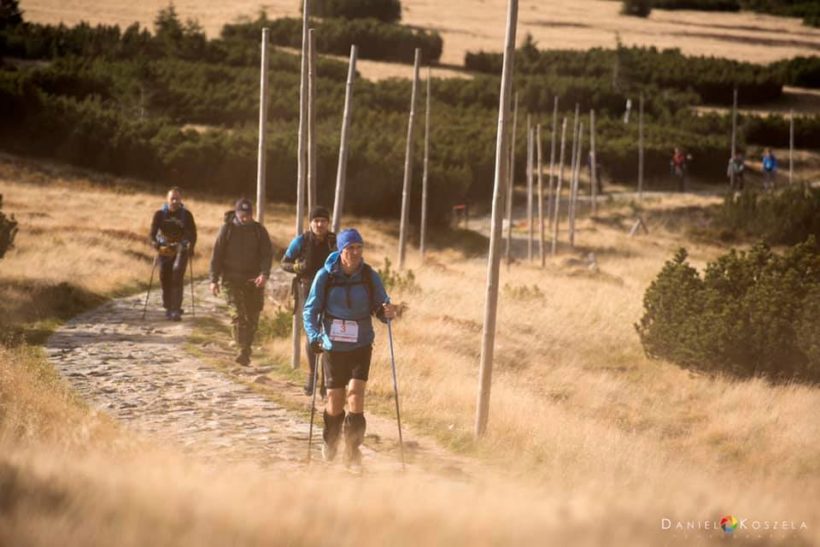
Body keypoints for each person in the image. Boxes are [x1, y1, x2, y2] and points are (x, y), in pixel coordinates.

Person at [303, 229, 396, 467]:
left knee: (356, 395)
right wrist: (314, 336)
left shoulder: (369, 276)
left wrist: (387, 312)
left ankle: (353, 450)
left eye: (358, 248)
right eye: (350, 248)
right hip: (332, 346)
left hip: (361, 343)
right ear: (340, 250)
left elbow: (380, 305)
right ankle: (330, 438)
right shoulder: (325, 276)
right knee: (335, 400)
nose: (355, 253)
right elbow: (310, 310)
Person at [209, 198, 273, 366]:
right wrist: (213, 279)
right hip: (231, 280)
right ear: (236, 213)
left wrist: (264, 274)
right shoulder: (227, 229)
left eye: (248, 215)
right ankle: (242, 351)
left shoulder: (259, 231)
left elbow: (267, 255)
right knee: (238, 316)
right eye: (242, 215)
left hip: (253, 280)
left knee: (252, 318)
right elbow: (217, 255)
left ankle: (246, 348)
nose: (245, 218)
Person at [281, 206, 337, 396]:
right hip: (308, 290)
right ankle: (312, 376)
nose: (319, 224)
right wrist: (298, 267)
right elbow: (284, 262)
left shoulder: (333, 242)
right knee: (312, 332)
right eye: (316, 221)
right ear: (310, 222)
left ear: (328, 223)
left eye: (323, 221)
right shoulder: (301, 241)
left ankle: (327, 381)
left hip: (331, 291)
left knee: (329, 333)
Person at [149, 187, 197, 321]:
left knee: (177, 274)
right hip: (165, 249)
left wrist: (191, 247)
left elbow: (193, 233)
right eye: (172, 198)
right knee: (165, 277)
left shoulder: (186, 215)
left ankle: (175, 309)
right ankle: (168, 306)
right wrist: (155, 243)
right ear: (167, 199)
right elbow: (152, 233)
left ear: (181, 200)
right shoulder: (159, 214)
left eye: (177, 198)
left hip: (181, 248)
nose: (175, 201)